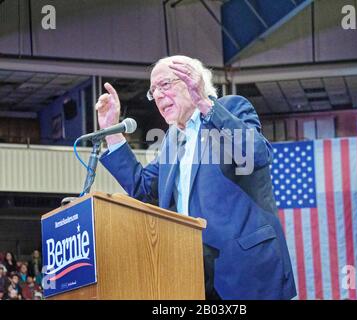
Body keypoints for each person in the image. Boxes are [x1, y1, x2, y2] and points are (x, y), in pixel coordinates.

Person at [96, 55, 296, 300]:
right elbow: (143, 188)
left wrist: (204, 103)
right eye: (153, 91)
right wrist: (112, 132)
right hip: (189, 276)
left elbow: (255, 154)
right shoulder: (171, 141)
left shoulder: (231, 108)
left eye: (165, 85)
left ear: (193, 81)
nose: (157, 95)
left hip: (245, 272)